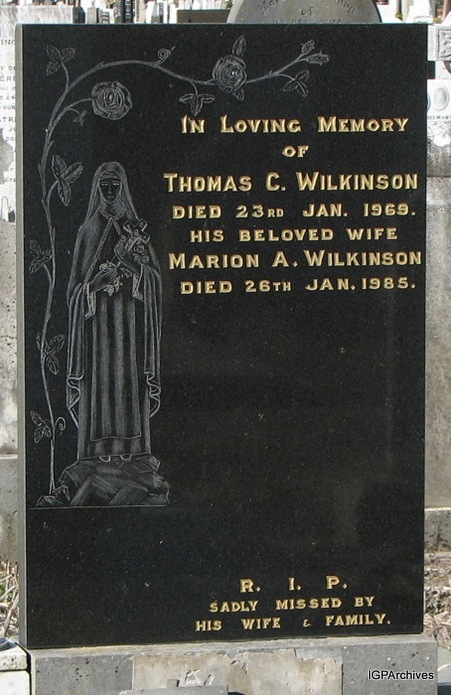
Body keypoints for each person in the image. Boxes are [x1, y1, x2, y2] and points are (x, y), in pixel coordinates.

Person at [40, 162, 169, 507]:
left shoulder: (134, 230)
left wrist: (134, 268)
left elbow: (155, 281)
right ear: (97, 190)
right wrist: (93, 286)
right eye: (104, 187)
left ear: (123, 188)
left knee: (128, 384)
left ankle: (132, 456)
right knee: (101, 386)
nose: (110, 193)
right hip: (98, 331)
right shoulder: (88, 231)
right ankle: (97, 458)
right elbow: (73, 291)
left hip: (130, 325)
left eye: (115, 186)